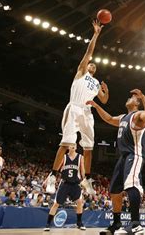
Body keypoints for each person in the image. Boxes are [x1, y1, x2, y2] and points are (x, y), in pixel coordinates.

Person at [45, 19, 109, 196]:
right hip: (74, 108)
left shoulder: (96, 82)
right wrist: (96, 34)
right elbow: (89, 52)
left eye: (94, 65)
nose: (92, 64)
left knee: (89, 148)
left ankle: (87, 179)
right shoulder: (81, 73)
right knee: (66, 144)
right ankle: (52, 176)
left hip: (87, 113)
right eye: (90, 63)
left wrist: (106, 91)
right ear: (86, 65)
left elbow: (103, 100)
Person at [87, 89, 145, 235]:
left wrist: (143, 97)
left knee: (131, 184)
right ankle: (116, 223)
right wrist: (96, 106)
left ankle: (136, 224)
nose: (130, 98)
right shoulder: (124, 117)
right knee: (114, 191)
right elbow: (109, 119)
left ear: (137, 103)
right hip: (123, 157)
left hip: (134, 154)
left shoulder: (138, 116)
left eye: (133, 98)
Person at [44, 144, 86, 231]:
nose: (73, 146)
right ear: (68, 147)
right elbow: (54, 170)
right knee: (56, 203)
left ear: (76, 147)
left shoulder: (80, 157)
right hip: (65, 183)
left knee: (79, 202)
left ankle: (79, 223)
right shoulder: (64, 157)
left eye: (74, 144)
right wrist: (47, 179)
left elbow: (82, 171)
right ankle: (48, 224)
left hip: (75, 183)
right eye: (71, 144)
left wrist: (85, 181)